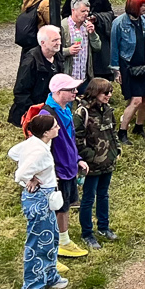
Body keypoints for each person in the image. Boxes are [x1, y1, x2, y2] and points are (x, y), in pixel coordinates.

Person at [8, 111, 67, 289]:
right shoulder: (39, 151)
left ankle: (49, 275)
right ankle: (31, 288)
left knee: (50, 238)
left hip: (46, 198)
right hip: (39, 199)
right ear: (46, 132)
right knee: (37, 242)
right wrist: (29, 179)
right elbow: (20, 174)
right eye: (54, 127)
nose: (58, 128)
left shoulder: (36, 143)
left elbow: (13, 152)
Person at [44, 74, 87, 256]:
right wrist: (51, 171)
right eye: (71, 90)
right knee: (55, 209)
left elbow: (70, 139)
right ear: (59, 92)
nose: (76, 92)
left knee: (66, 206)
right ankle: (52, 247)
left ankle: (64, 241)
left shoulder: (66, 109)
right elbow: (43, 148)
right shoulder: (47, 115)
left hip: (68, 167)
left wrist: (77, 159)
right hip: (57, 171)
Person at [74, 78, 120, 246]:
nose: (109, 95)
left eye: (110, 92)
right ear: (95, 92)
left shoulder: (108, 110)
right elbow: (77, 140)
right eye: (105, 92)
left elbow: (113, 131)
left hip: (108, 161)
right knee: (88, 198)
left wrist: (116, 150)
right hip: (91, 165)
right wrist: (90, 156)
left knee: (104, 195)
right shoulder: (82, 113)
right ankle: (87, 233)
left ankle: (103, 227)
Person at [113, 0, 145, 138]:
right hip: (128, 65)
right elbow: (114, 47)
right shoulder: (119, 23)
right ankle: (122, 131)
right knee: (136, 99)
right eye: (143, 6)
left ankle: (139, 126)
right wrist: (116, 70)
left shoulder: (143, 20)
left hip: (143, 63)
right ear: (135, 6)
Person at [10, 22, 63, 129]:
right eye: (54, 40)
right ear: (43, 43)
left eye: (59, 39)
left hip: (50, 109)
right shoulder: (31, 61)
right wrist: (34, 113)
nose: (59, 43)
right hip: (34, 112)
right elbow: (20, 91)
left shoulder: (58, 57)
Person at [63, 0, 98, 83]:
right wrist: (68, 51)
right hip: (68, 78)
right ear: (73, 10)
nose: (86, 14)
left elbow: (98, 47)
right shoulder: (63, 26)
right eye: (83, 11)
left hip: (84, 78)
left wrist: (93, 34)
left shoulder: (87, 26)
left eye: (87, 11)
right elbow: (54, 51)